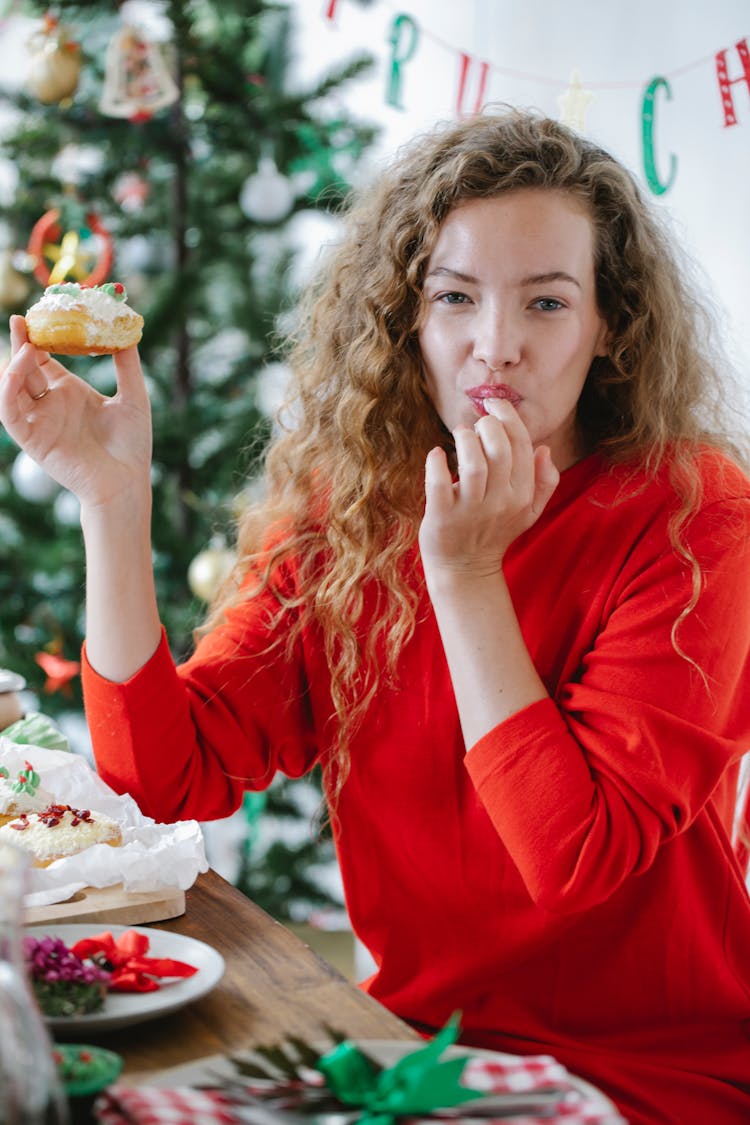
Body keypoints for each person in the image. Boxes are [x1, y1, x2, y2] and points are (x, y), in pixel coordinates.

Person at [2, 106, 750, 1123]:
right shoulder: (346, 501)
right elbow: (169, 773)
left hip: (651, 1073)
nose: (498, 346)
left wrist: (467, 576)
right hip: (409, 1048)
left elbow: (573, 861)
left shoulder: (696, 514)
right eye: (456, 297)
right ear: (409, 317)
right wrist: (110, 500)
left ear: (607, 324)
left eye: (546, 302)